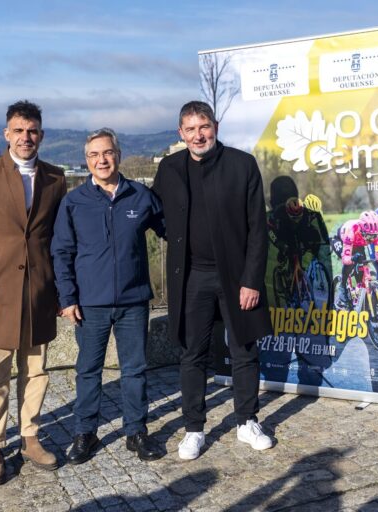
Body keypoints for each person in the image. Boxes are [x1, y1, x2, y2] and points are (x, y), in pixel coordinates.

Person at [152, 101, 274, 461]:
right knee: (192, 354)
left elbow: (257, 229)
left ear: (215, 126)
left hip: (236, 277)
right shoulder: (170, 168)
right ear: (180, 134)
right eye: (190, 129)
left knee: (244, 349)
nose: (198, 135)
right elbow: (157, 215)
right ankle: (194, 429)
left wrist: (251, 280)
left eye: (203, 126)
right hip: (191, 277)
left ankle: (246, 421)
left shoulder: (242, 165)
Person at [0, 101, 66, 485]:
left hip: (39, 292)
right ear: (6, 134)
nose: (26, 137)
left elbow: (58, 239)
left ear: (41, 134)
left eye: (32, 130)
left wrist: (61, 290)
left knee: (36, 372)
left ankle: (30, 438)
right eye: (19, 130)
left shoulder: (56, 178)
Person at [52, 128, 165, 464]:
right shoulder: (73, 202)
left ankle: (136, 431)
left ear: (118, 154)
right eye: (94, 155)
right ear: (86, 161)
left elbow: (171, 228)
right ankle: (85, 432)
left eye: (107, 153)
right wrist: (67, 298)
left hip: (133, 301)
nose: (101, 160)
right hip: (90, 304)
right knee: (88, 370)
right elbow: (61, 252)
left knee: (135, 369)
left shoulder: (140, 196)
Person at [331, 211, 378, 310]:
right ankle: (342, 286)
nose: (371, 239)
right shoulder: (352, 229)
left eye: (373, 237)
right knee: (351, 263)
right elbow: (346, 259)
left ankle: (358, 295)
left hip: (358, 244)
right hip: (342, 240)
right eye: (368, 236)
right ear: (362, 229)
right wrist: (352, 258)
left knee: (361, 268)